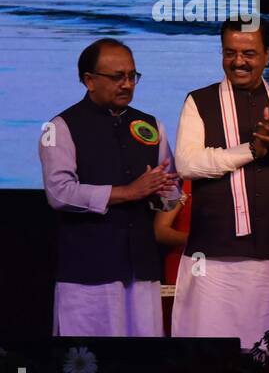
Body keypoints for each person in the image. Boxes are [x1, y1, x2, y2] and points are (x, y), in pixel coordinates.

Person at [172, 20, 269, 350]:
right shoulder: (199, 101)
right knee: (211, 359)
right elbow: (187, 163)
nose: (238, 61)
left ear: (268, 56)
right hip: (214, 260)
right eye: (230, 53)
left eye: (249, 54)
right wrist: (251, 151)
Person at [39, 38, 180, 337]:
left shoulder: (152, 125)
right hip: (88, 272)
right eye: (117, 77)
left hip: (141, 270)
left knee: (143, 366)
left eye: (132, 76)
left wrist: (164, 192)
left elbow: (172, 191)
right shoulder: (61, 127)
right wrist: (129, 192)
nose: (127, 84)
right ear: (89, 80)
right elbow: (59, 192)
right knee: (89, 366)